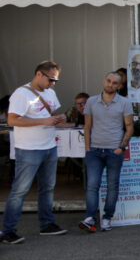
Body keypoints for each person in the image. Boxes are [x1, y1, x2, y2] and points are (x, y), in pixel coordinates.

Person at [3, 61, 69, 242]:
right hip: (29, 149)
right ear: (39, 74)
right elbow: (12, 120)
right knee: (20, 190)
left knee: (47, 188)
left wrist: (60, 118)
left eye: (56, 80)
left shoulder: (50, 92)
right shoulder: (21, 93)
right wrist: (43, 122)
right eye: (51, 79)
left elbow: (51, 116)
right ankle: (8, 230)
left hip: (49, 147)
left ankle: (47, 224)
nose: (53, 83)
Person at [79, 72, 133, 233]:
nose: (111, 84)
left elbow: (129, 127)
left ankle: (107, 218)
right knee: (92, 185)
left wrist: (121, 147)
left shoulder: (124, 102)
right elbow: (87, 126)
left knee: (112, 186)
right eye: (109, 81)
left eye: (115, 83)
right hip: (94, 150)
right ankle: (90, 218)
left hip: (114, 151)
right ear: (104, 81)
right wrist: (87, 149)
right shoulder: (91, 101)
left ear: (120, 86)